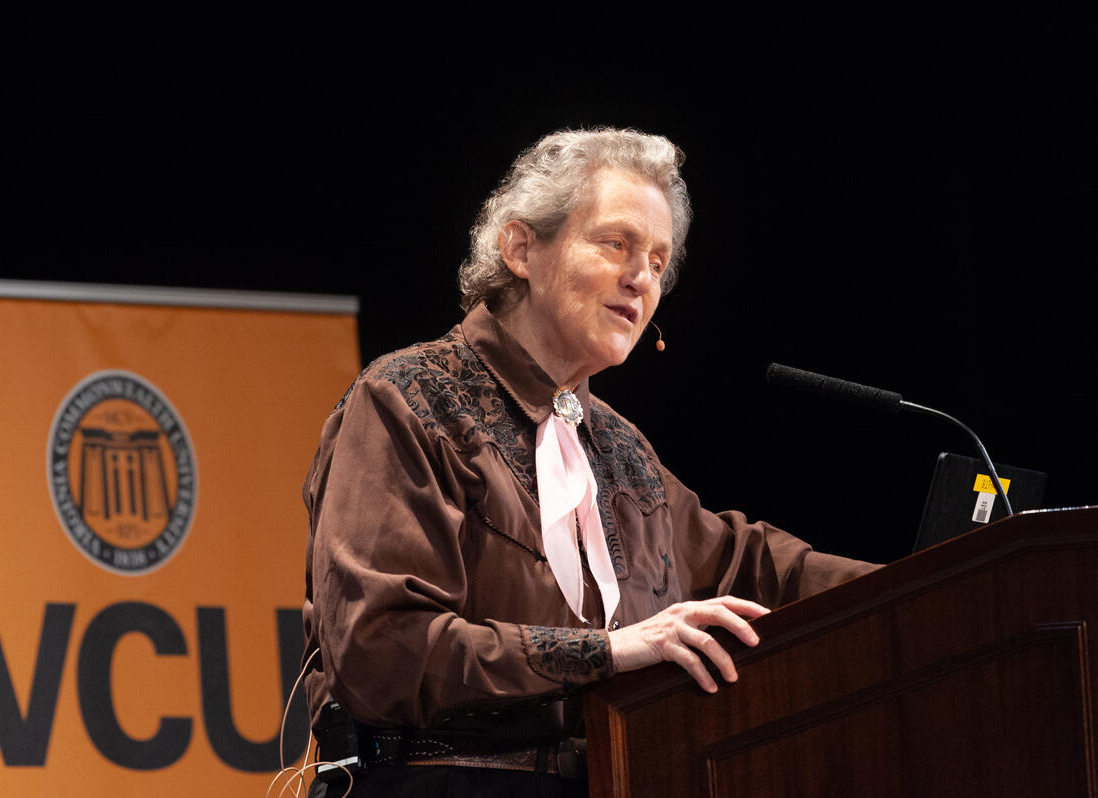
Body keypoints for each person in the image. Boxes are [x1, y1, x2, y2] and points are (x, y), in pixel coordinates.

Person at [300, 128, 876, 797]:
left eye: (659, 263)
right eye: (616, 244)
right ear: (520, 249)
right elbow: (380, 650)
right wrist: (610, 653)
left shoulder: (620, 448)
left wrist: (948, 577)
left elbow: (754, 565)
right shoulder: (406, 398)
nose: (641, 277)